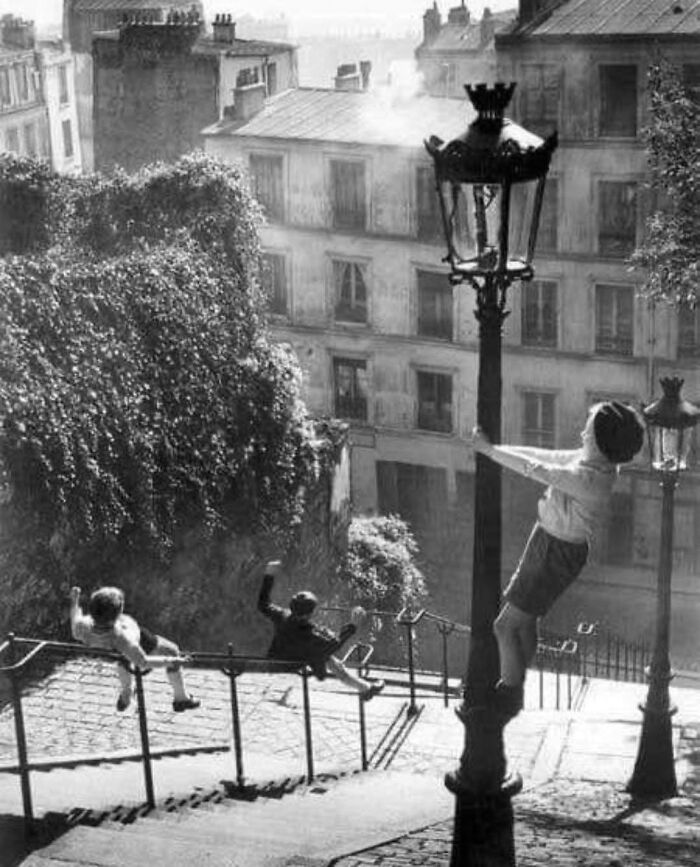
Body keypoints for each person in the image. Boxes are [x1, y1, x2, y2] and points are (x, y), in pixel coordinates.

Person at [459, 400, 644, 724]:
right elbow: (541, 456)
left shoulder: (591, 479)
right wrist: (491, 448)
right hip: (549, 542)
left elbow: (538, 469)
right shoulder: (593, 462)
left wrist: (488, 451)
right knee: (526, 620)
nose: (583, 431)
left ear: (599, 439)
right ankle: (517, 678)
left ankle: (507, 697)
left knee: (504, 626)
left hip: (556, 551)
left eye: (588, 426)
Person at [257, 561, 385, 700]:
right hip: (293, 663)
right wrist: (353, 624)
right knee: (325, 655)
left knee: (327, 657)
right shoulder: (308, 632)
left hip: (276, 659)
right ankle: (365, 688)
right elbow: (334, 644)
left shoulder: (282, 615)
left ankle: (365, 688)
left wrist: (269, 575)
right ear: (309, 614)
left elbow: (263, 604)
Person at [70, 585, 200, 713]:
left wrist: (75, 601)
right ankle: (181, 698)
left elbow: (75, 620)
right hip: (135, 642)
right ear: (118, 613)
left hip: (111, 652)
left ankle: (127, 693)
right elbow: (143, 661)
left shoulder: (82, 628)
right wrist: (172, 660)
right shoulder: (123, 638)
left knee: (123, 659)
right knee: (171, 649)